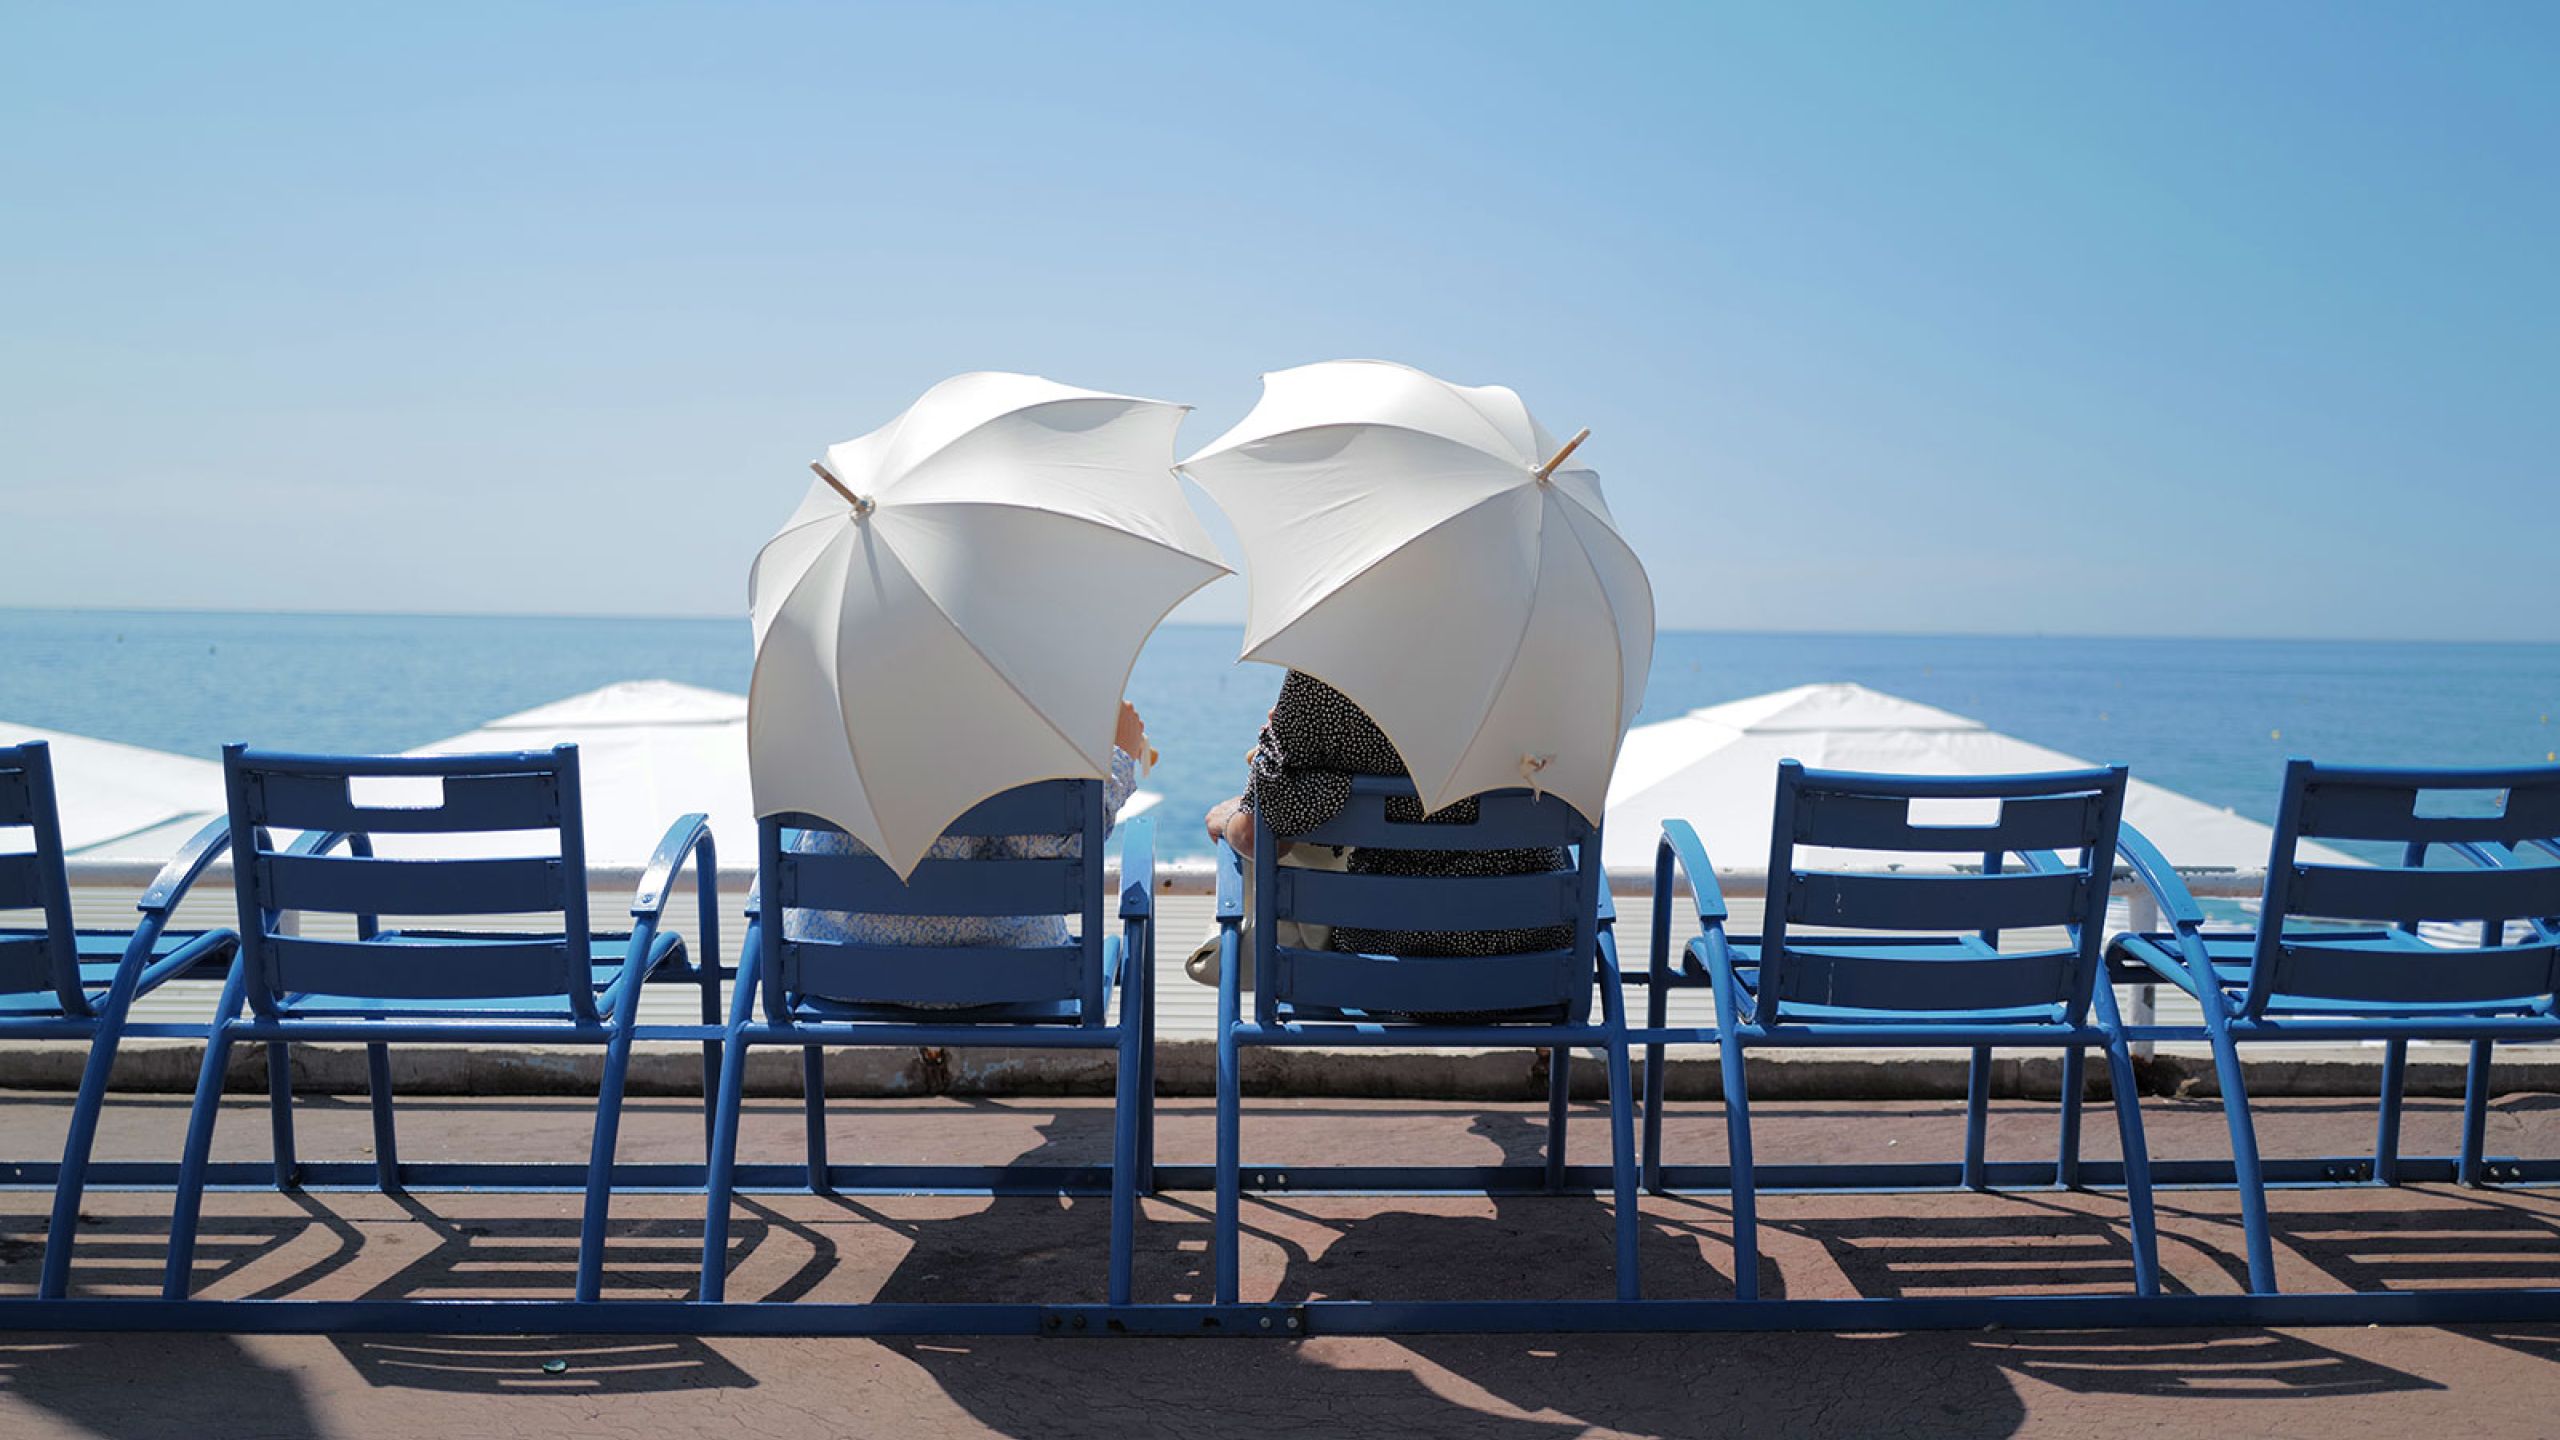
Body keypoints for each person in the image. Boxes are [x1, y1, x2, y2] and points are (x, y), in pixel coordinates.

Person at [1204, 672, 1571, 966]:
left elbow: (1257, 833)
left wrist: (1228, 819)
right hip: (1535, 957)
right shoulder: (1541, 668)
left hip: (1386, 961)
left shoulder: (1328, 673)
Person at [790, 700, 1148, 955]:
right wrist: (1119, 752)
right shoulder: (1009, 718)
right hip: (1007, 971)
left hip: (841, 967)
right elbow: (1065, 846)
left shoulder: (827, 715)